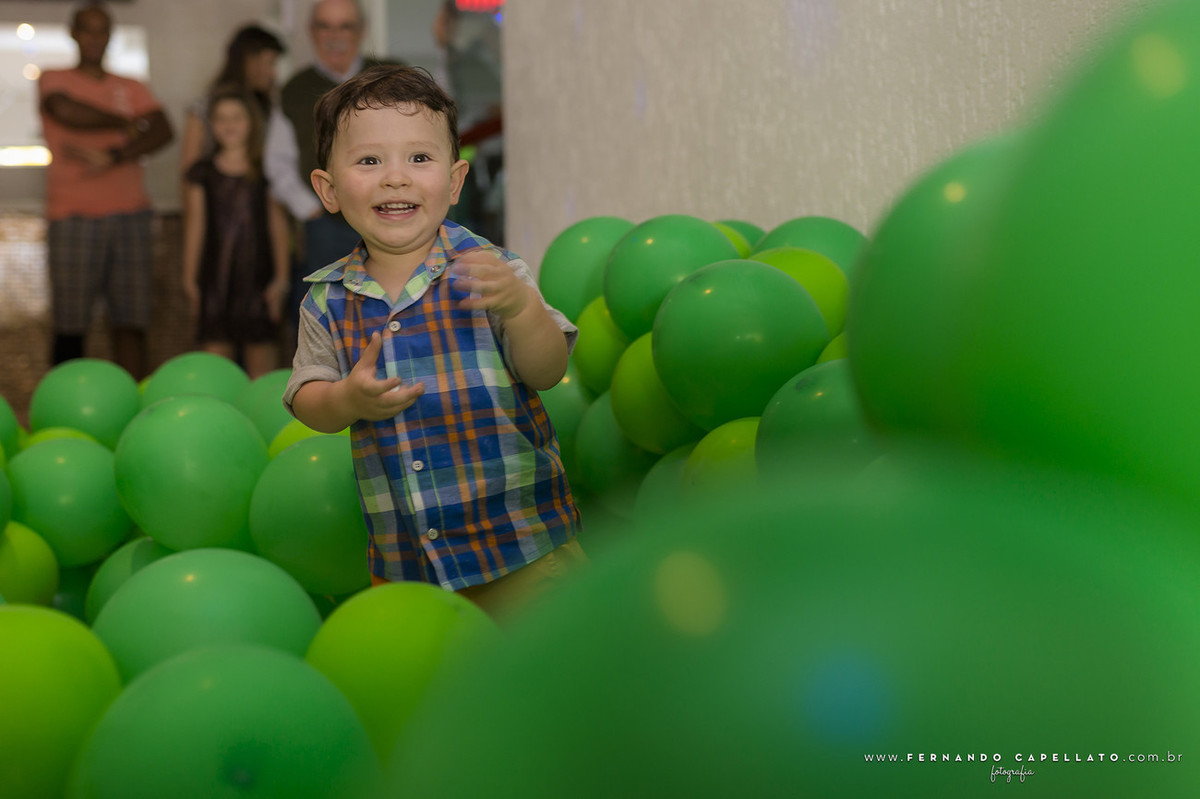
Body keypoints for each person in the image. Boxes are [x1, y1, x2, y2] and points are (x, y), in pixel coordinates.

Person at [283, 65, 585, 623]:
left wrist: (521, 308)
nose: (395, 178)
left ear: (454, 180)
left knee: (553, 685)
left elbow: (546, 370)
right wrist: (347, 400)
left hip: (522, 547)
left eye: (419, 159)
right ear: (327, 189)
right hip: (410, 563)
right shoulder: (325, 300)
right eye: (369, 160)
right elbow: (307, 397)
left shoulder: (493, 272)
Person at [38, 1, 173, 379]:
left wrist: (115, 154)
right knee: (70, 322)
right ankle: (64, 402)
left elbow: (163, 129)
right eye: (88, 29)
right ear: (74, 34)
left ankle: (132, 402)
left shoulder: (132, 85)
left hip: (131, 214)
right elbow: (65, 110)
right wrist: (129, 123)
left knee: (132, 320)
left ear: (110, 36)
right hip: (72, 216)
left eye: (103, 31)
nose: (95, 38)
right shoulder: (54, 78)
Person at [265, 0, 400, 338]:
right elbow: (276, 161)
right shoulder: (294, 89)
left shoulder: (393, 77)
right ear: (312, 32)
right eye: (325, 26)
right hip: (327, 226)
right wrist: (310, 209)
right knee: (328, 315)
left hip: (393, 215)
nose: (335, 36)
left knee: (396, 305)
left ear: (362, 31)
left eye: (345, 26)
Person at [181, 87, 291, 377]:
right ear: (211, 125)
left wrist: (281, 278)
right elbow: (196, 226)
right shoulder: (202, 173)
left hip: (258, 276)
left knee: (262, 370)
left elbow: (276, 225)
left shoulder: (266, 170)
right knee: (217, 369)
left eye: (237, 118)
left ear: (252, 123)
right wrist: (190, 278)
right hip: (216, 277)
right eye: (221, 119)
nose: (229, 125)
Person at [178, 24, 285, 188]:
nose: (273, 73)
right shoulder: (203, 109)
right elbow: (189, 175)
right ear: (250, 61)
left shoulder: (271, 107)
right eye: (270, 63)